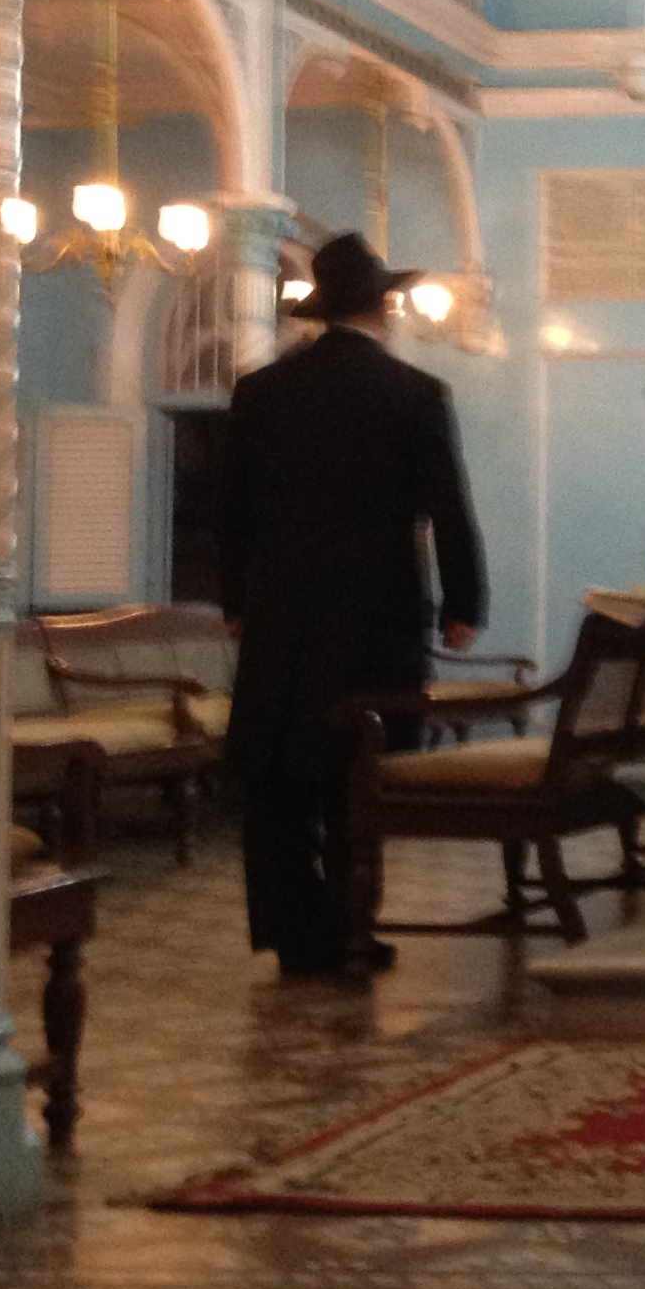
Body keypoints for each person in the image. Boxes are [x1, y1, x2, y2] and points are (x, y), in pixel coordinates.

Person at [219, 231, 486, 978]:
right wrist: (463, 604)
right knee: (357, 775)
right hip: (378, 612)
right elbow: (448, 509)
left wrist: (235, 600)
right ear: (382, 308)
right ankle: (350, 930)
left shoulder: (261, 392)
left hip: (281, 611)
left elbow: (231, 513)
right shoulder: (415, 393)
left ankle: (292, 936)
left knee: (277, 777)